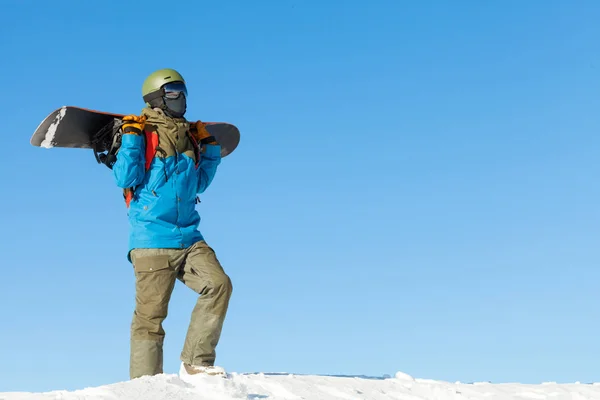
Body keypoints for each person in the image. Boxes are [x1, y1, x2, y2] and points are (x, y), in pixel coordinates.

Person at [112, 68, 233, 380]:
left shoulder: (189, 136)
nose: (181, 98)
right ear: (157, 98)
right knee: (150, 319)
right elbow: (125, 178)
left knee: (218, 284)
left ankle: (196, 362)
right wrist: (129, 139)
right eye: (173, 92)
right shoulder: (143, 132)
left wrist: (211, 152)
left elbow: (199, 185)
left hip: (190, 237)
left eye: (183, 91)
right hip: (152, 240)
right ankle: (145, 386)